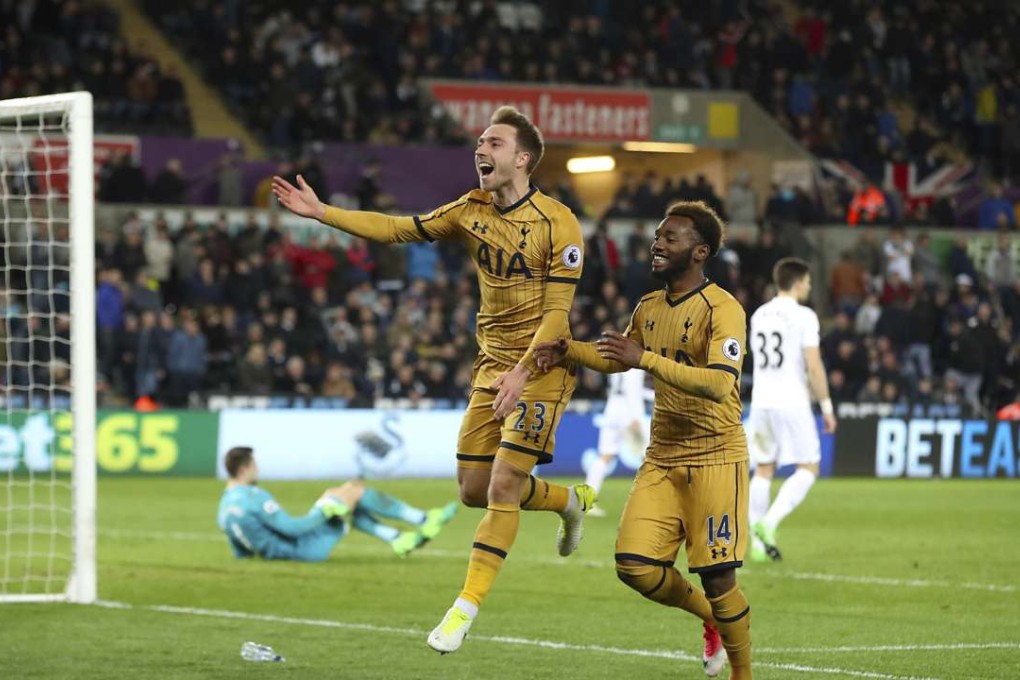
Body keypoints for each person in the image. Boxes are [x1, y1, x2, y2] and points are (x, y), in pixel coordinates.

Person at [272, 106, 595, 654]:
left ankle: (462, 610)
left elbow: (558, 316)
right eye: (479, 141)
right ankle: (567, 501)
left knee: (501, 487)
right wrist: (323, 212)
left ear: (522, 159)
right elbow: (399, 229)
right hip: (491, 366)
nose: (480, 150)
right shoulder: (469, 210)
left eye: (493, 143)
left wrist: (523, 372)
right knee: (473, 491)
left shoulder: (558, 223)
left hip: (542, 368)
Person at [535, 201, 752, 680]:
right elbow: (619, 357)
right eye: (657, 235)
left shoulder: (724, 309)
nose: (657, 244)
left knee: (718, 578)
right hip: (663, 455)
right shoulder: (649, 307)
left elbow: (719, 384)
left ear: (699, 252)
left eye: (670, 238)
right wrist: (570, 350)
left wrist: (645, 360)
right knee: (634, 566)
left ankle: (743, 673)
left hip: (716, 455)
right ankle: (712, 619)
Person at [746, 258, 837, 563]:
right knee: (809, 467)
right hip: (792, 400)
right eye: (808, 281)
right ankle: (767, 524)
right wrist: (826, 406)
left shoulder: (758, 314)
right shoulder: (804, 316)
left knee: (763, 469)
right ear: (797, 282)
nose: (809, 286)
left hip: (761, 401)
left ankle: (757, 547)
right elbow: (813, 365)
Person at [217, 447, 457, 561]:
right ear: (243, 469)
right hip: (303, 549)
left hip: (283, 551)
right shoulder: (253, 497)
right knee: (352, 491)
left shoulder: (224, 506)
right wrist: (324, 509)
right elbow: (293, 528)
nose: (257, 469)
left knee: (343, 496)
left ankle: (398, 538)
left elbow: (240, 549)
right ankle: (423, 519)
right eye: (254, 465)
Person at [585, 368, 649, 517]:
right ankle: (651, 501)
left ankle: (586, 501)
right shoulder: (634, 359)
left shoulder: (618, 358)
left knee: (605, 456)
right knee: (649, 457)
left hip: (612, 409)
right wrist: (635, 416)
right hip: (628, 413)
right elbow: (631, 388)